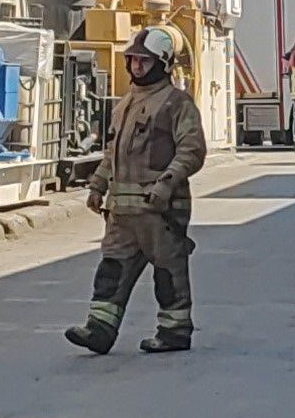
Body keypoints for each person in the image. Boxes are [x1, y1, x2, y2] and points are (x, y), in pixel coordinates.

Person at [66, 26, 207, 355]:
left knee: (167, 274)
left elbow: (192, 151)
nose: (136, 66)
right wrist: (97, 185)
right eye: (132, 59)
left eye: (144, 60)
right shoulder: (126, 103)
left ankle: (173, 332)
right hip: (122, 213)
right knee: (111, 270)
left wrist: (166, 184)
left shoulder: (176, 104)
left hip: (160, 213)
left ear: (162, 63)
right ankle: (99, 329)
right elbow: (112, 152)